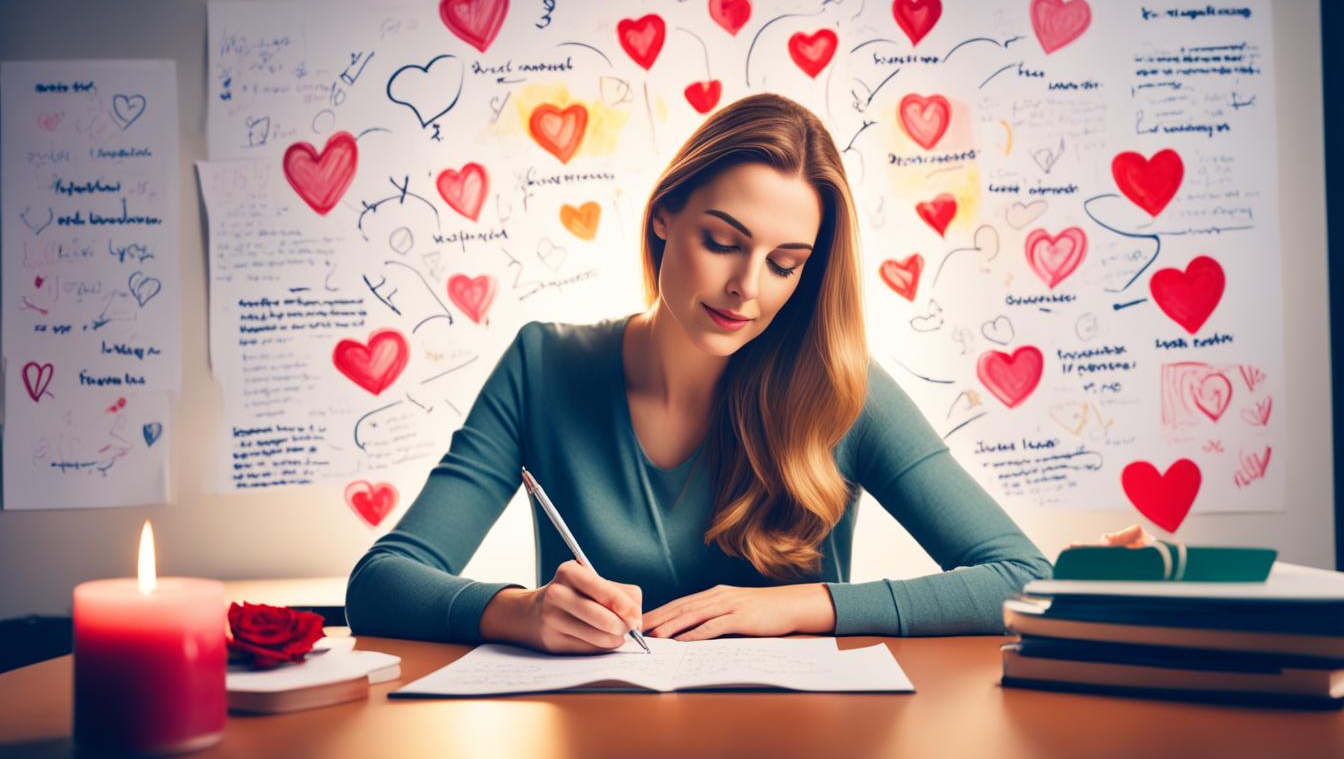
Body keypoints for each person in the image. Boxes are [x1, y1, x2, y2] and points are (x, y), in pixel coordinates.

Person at [346, 92, 1073, 654]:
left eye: (785, 263)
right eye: (723, 242)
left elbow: (1024, 577)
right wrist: (517, 612)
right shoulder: (544, 367)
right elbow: (380, 583)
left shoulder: (843, 390)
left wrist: (796, 606)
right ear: (665, 214)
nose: (747, 287)